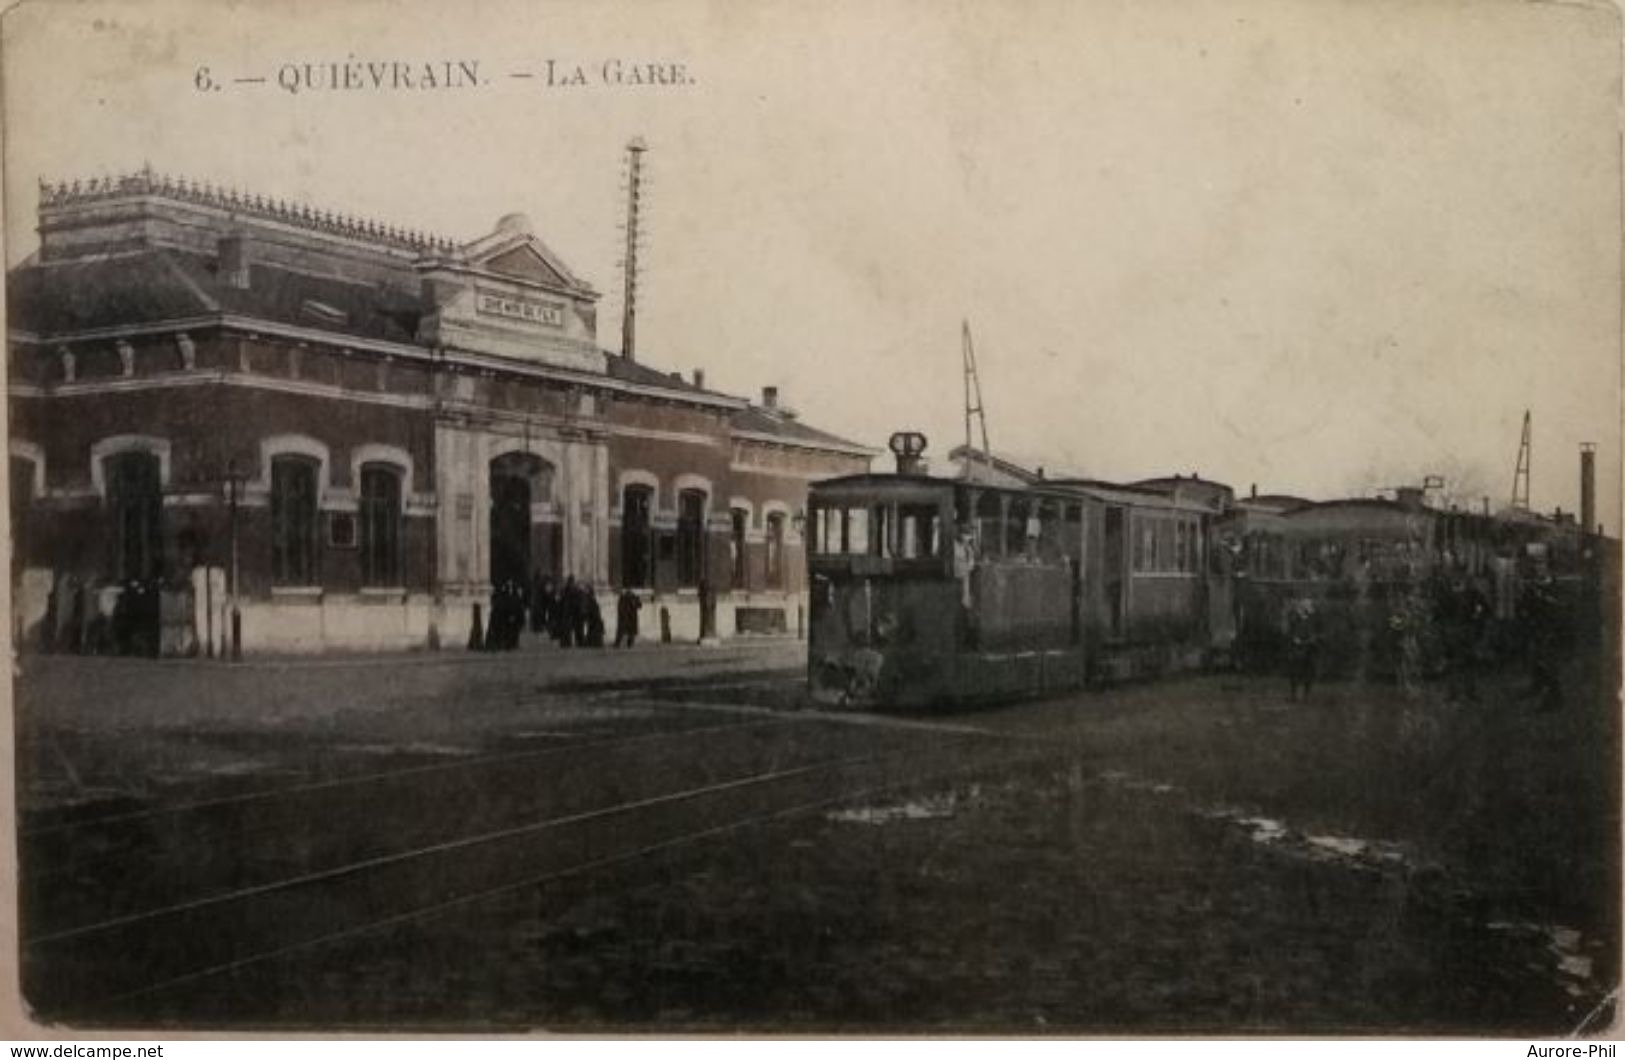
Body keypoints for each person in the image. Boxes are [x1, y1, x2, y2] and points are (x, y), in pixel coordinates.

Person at [1284, 597, 1321, 701]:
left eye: (1305, 608)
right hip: (1297, 650)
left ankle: (1306, 695)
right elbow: (1290, 634)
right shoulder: (1295, 621)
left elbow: (1315, 636)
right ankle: (1294, 694)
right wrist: (1294, 640)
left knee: (1309, 673)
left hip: (1309, 650)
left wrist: (1306, 641)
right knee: (1295, 672)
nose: (1302, 610)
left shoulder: (1312, 621)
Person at [582, 584, 605, 648]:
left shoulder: (590, 598)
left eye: (587, 589)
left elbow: (594, 607)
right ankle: (593, 642)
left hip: (594, 616)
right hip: (592, 616)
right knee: (592, 629)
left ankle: (594, 642)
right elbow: (587, 607)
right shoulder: (587, 598)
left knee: (593, 629)